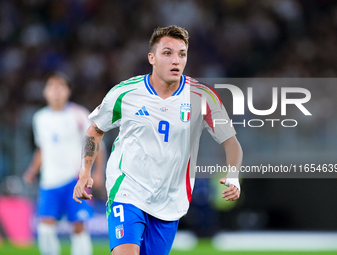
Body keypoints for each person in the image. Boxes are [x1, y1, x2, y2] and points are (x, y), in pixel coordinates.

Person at [73, 25, 243, 255]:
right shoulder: (125, 93)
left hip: (169, 200)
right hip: (127, 188)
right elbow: (95, 130)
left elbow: (231, 142)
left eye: (181, 54)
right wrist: (85, 172)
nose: (176, 60)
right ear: (151, 58)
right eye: (167, 53)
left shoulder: (203, 97)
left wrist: (233, 175)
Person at [24, 72, 105, 255]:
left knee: (78, 227)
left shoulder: (79, 114)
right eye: (52, 86)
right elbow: (42, 149)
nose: (56, 91)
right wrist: (32, 170)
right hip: (49, 181)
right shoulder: (40, 118)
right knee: (45, 228)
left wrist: (98, 171)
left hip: (74, 179)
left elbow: (96, 143)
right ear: (45, 92)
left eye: (61, 86)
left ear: (68, 91)